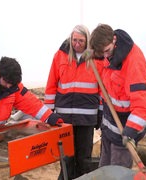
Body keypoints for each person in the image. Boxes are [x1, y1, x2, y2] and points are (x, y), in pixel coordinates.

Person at [88, 24, 146, 168]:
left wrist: (130, 130)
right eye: (102, 54)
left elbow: (144, 104)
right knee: (104, 169)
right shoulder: (107, 53)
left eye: (107, 51)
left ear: (114, 39)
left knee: (118, 171)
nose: (106, 56)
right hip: (110, 124)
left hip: (125, 127)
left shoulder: (133, 62)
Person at [44, 25, 104, 179]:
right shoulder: (60, 56)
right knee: (66, 157)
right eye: (74, 40)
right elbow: (51, 84)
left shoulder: (97, 59)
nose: (77, 44)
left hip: (86, 118)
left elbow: (103, 89)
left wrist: (101, 112)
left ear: (88, 40)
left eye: (81, 41)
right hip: (64, 118)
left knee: (84, 157)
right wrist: (48, 112)